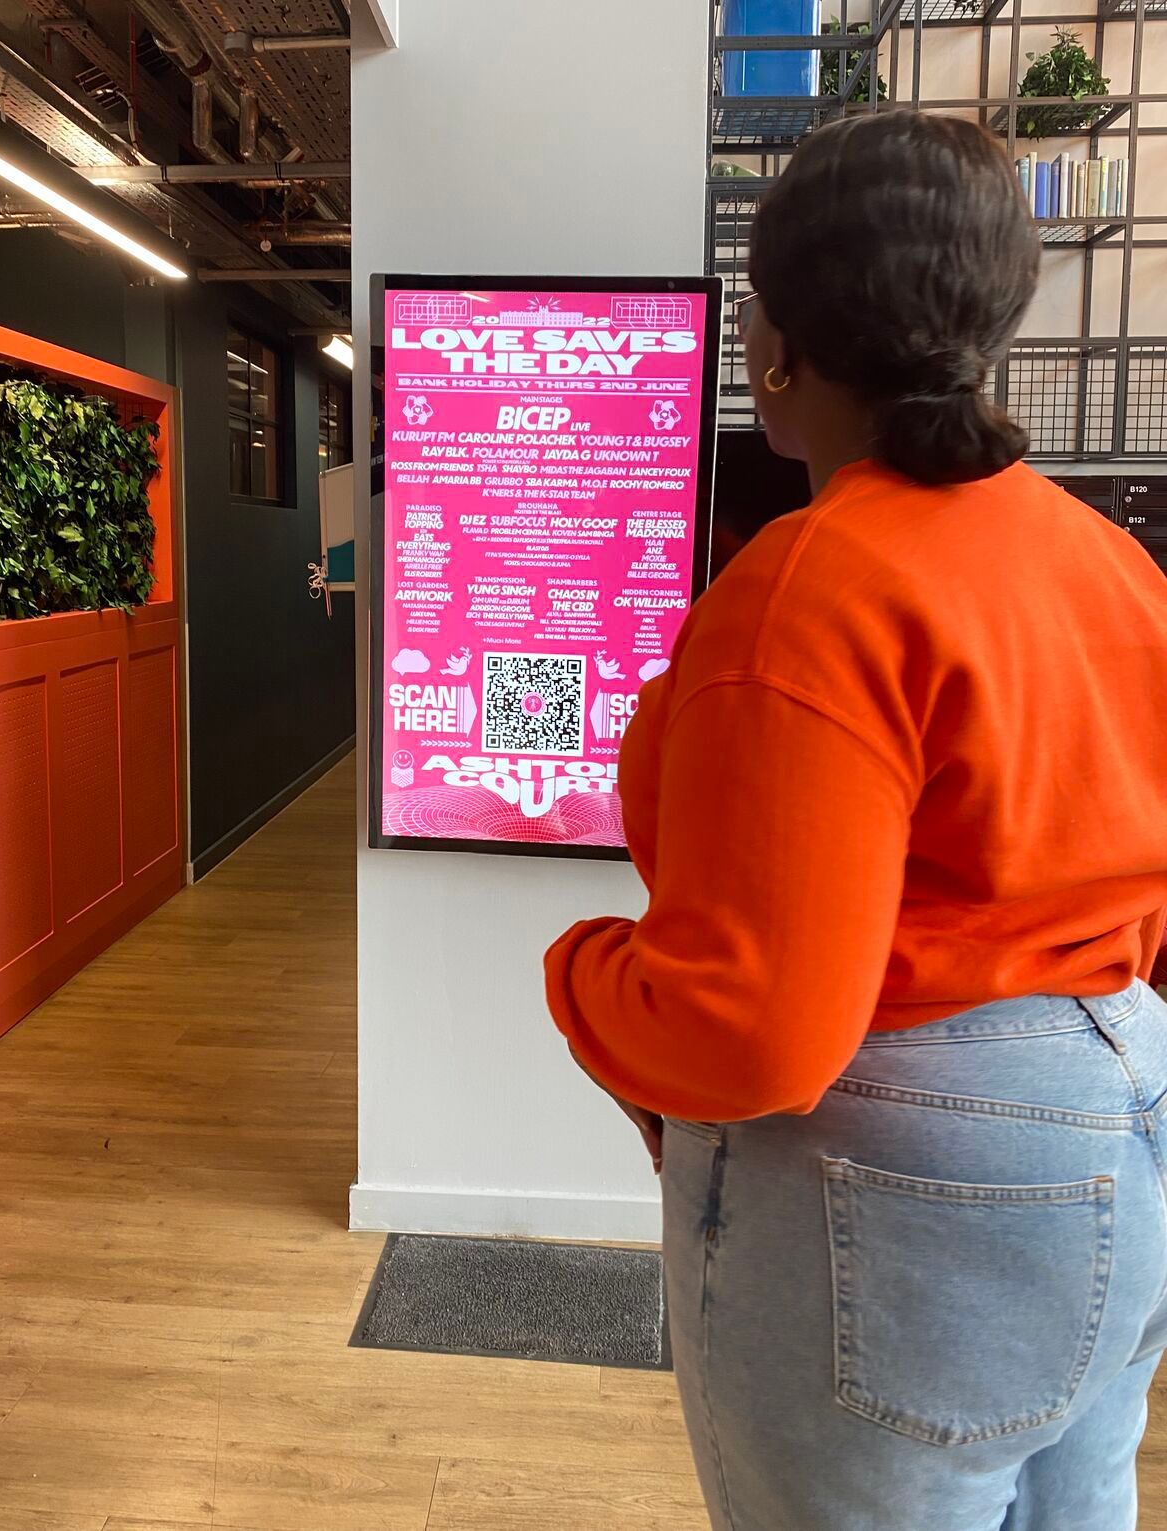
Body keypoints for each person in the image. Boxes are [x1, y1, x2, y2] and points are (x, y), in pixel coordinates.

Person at [545, 111, 1167, 1531]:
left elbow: (755, 1028)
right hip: (1124, 1121)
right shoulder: (1109, 565)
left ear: (777, 346)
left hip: (902, 1175)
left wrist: (578, 978)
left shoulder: (811, 588)